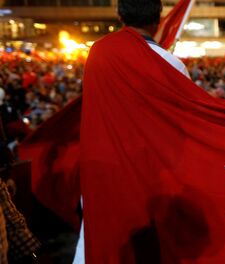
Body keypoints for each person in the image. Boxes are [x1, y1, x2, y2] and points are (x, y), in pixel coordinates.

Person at [74, 1, 190, 263]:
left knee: (100, 237)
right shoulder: (172, 64)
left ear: (119, 15)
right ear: (158, 18)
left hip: (102, 168)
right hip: (150, 173)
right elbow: (183, 127)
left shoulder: (99, 53)